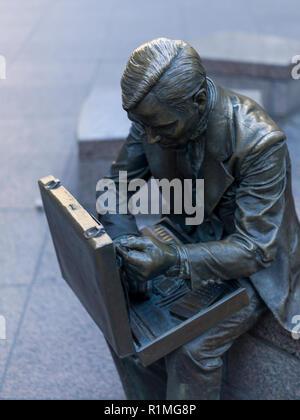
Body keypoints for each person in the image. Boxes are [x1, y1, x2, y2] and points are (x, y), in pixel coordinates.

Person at [97, 38, 300, 400]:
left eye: (161, 128)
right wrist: (126, 249)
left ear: (199, 102)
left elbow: (255, 249)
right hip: (183, 235)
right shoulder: (153, 117)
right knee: (120, 319)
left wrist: (172, 261)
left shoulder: (259, 143)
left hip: (250, 267)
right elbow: (115, 188)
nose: (150, 137)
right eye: (143, 126)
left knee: (193, 350)